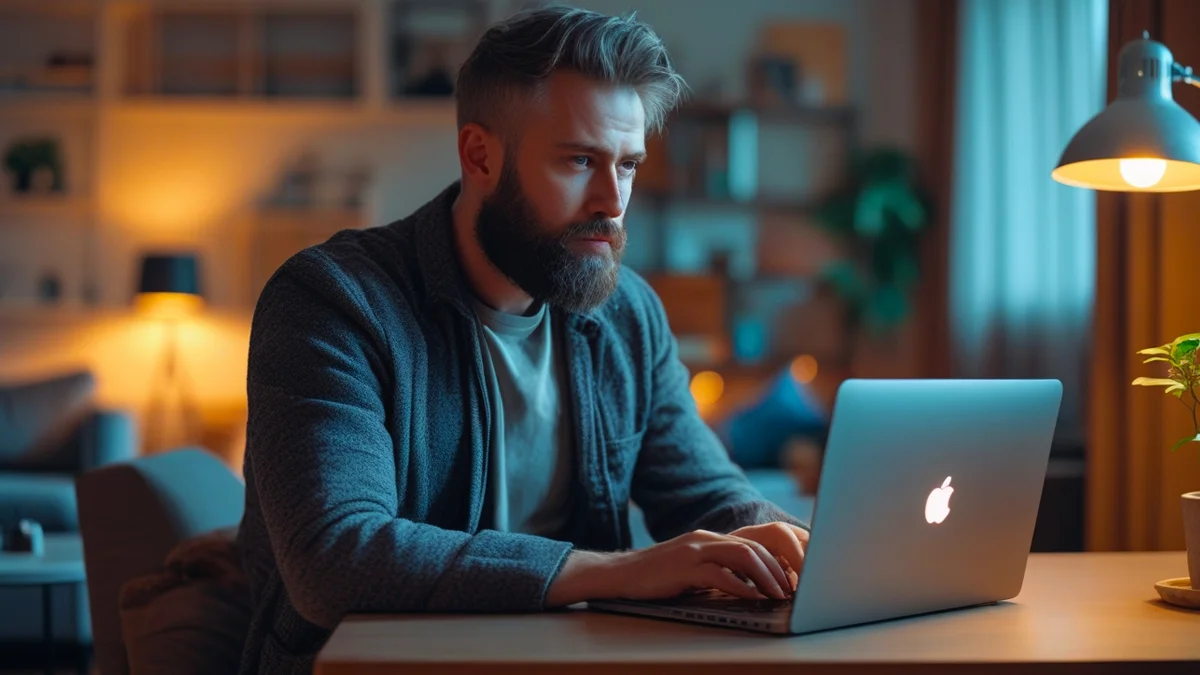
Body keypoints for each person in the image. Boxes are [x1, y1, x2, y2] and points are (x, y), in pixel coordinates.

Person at [235, 6, 809, 673]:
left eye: (626, 165)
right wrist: (618, 571)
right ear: (479, 154)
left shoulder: (628, 314)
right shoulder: (333, 302)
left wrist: (796, 549)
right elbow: (337, 558)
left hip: (573, 659)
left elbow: (707, 492)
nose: (612, 202)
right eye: (578, 160)